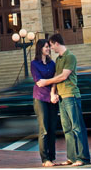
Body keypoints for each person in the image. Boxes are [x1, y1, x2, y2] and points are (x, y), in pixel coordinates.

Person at [36, 33, 91, 166]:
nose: (51, 49)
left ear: (56, 43)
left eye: (51, 45)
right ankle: (72, 157)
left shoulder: (70, 57)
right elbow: (56, 76)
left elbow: (63, 76)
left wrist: (45, 82)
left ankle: (82, 158)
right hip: (62, 97)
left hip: (71, 96)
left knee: (77, 128)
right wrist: (53, 93)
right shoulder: (59, 59)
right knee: (67, 129)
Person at [30, 39, 58, 167]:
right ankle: (44, 159)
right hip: (40, 98)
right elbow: (38, 81)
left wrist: (52, 91)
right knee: (44, 129)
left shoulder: (52, 64)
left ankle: (52, 157)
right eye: (46, 47)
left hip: (52, 98)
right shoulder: (34, 64)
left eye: (49, 47)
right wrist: (51, 80)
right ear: (40, 48)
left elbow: (54, 81)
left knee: (52, 129)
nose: (48, 49)